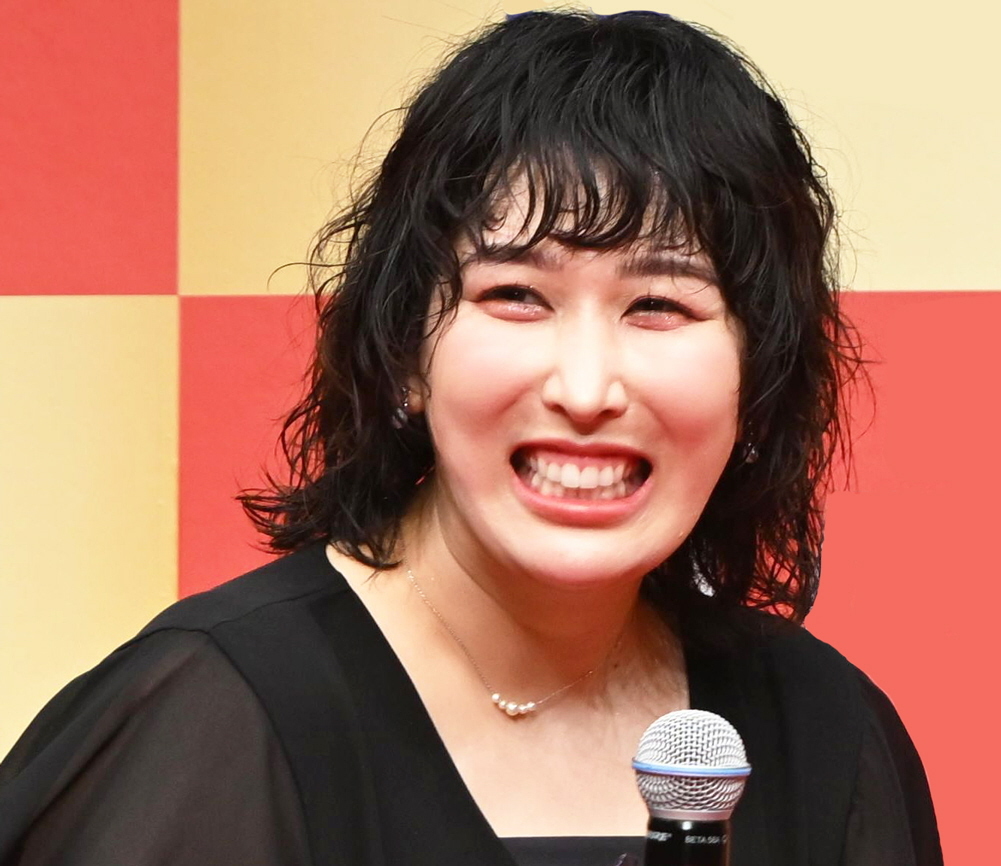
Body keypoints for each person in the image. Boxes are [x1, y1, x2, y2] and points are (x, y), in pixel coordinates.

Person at [0, 10, 940, 866]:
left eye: (659, 304)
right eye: (516, 295)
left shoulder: (822, 733)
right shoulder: (221, 714)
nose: (585, 390)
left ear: (757, 380)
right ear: (406, 354)